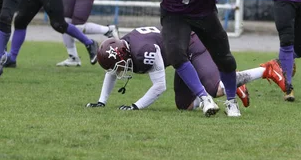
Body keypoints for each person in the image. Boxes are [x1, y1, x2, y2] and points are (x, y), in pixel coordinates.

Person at [88, 27, 280, 111]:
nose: (120, 72)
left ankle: (266, 69)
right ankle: (233, 85)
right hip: (177, 56)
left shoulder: (142, 51)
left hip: (192, 45)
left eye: (120, 67)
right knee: (184, 106)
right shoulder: (125, 47)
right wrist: (101, 101)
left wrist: (136, 106)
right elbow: (112, 71)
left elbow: (159, 86)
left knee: (216, 90)